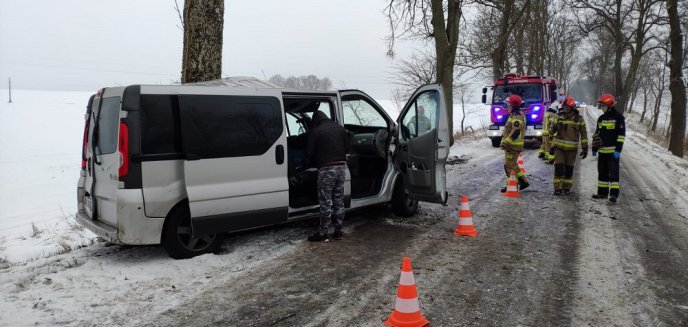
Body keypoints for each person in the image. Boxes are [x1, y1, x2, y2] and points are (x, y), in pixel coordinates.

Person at [305, 110, 350, 242]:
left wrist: (308, 165)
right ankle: (338, 231)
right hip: (341, 168)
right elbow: (348, 148)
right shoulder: (340, 129)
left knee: (325, 202)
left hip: (326, 170)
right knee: (338, 200)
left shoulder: (316, 131)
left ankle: (323, 233)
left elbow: (309, 154)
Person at [549, 97, 588, 195]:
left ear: (572, 107)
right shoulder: (559, 117)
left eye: (567, 107)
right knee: (559, 167)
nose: (565, 109)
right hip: (559, 148)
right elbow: (551, 131)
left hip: (571, 149)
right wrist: (555, 126)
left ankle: (566, 188)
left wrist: (585, 147)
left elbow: (584, 134)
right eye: (564, 107)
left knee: (569, 168)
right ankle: (557, 188)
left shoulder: (579, 119)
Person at [591, 93, 625, 203]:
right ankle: (602, 193)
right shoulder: (601, 118)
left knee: (614, 174)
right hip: (602, 152)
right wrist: (594, 148)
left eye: (603, 105)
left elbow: (621, 136)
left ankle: (614, 195)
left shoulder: (619, 118)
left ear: (609, 105)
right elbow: (597, 134)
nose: (601, 108)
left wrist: (618, 150)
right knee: (602, 173)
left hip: (612, 152)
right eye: (601, 105)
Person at [500, 94, 530, 192]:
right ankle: (523, 182)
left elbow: (515, 131)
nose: (506, 106)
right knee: (513, 165)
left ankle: (512, 186)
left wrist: (506, 142)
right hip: (512, 145)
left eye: (507, 104)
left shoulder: (517, 115)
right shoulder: (514, 114)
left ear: (513, 105)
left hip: (513, 145)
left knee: (508, 165)